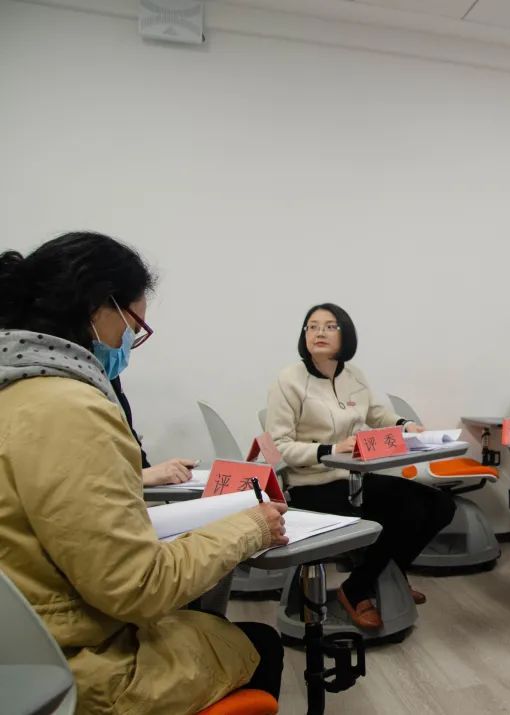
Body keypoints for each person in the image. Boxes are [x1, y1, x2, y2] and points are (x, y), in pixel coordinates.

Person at [0, 232, 287, 714]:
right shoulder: (72, 408)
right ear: (99, 307)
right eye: (133, 327)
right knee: (258, 644)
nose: (127, 343)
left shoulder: (16, 393)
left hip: (25, 650)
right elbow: (136, 587)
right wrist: (250, 527)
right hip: (75, 669)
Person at [266, 303, 456, 632]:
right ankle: (357, 591)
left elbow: (377, 414)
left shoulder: (354, 375)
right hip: (311, 486)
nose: (320, 332)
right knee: (403, 513)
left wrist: (405, 425)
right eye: (312, 326)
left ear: (346, 335)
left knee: (440, 504)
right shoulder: (289, 380)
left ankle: (382, 575)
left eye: (330, 326)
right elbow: (279, 446)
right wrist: (329, 449)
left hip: (354, 479)